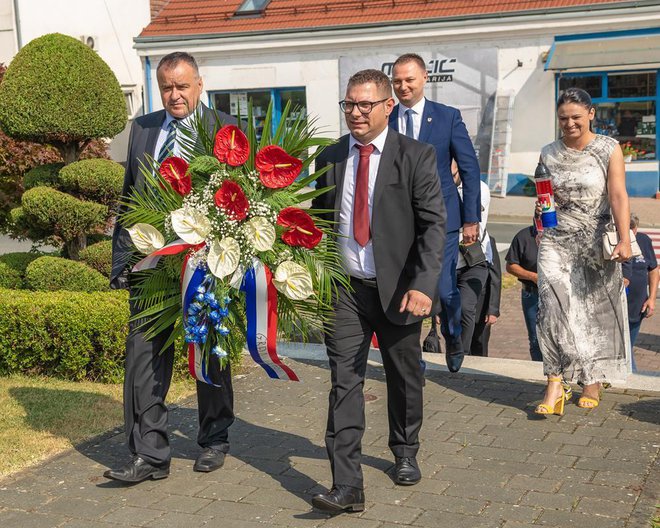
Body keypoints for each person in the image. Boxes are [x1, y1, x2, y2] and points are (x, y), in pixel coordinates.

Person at [310, 69, 445, 513]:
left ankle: (405, 449)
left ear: (389, 106)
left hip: (400, 291)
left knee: (404, 377)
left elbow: (432, 227)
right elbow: (319, 222)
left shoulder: (416, 155)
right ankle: (347, 485)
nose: (355, 113)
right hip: (345, 290)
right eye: (349, 104)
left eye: (365, 104)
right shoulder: (330, 157)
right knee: (344, 381)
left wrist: (424, 285)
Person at [106, 52, 238, 483]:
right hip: (150, 263)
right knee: (142, 357)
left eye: (182, 86)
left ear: (199, 84)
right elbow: (129, 197)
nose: (174, 95)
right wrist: (122, 259)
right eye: (166, 87)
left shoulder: (224, 129)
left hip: (205, 264)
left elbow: (240, 197)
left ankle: (214, 438)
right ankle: (150, 454)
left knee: (208, 353)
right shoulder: (143, 129)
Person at [535, 87, 632, 416]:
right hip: (555, 239)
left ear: (591, 114)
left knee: (593, 311)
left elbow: (618, 195)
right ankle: (554, 382)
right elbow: (544, 196)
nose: (569, 124)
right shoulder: (548, 152)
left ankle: (592, 379)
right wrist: (539, 223)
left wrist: (624, 238)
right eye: (563, 118)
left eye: (576, 117)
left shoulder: (608, 149)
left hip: (595, 239)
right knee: (551, 307)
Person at [390, 53, 481, 372]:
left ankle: (453, 335)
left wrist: (471, 218)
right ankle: (411, 354)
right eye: (397, 81)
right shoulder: (385, 119)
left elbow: (469, 167)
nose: (402, 86)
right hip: (398, 222)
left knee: (443, 287)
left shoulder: (447, 117)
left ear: (424, 78)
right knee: (404, 287)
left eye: (409, 80)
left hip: (443, 218)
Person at [455, 173, 491, 354]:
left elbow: (471, 219)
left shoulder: (478, 187)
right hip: (444, 261)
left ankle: (461, 354)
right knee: (445, 310)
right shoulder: (434, 181)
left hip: (472, 261)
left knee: (465, 308)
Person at [622, 212, 658, 370]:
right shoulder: (613, 240)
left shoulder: (643, 240)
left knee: (627, 346)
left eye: (633, 228)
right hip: (617, 306)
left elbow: (654, 270)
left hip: (637, 307)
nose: (631, 232)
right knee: (624, 347)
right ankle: (634, 377)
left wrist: (651, 298)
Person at [505, 222, 543, 362]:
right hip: (532, 294)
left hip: (557, 295)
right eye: (538, 215)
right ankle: (539, 373)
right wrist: (532, 277)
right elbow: (511, 266)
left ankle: (559, 377)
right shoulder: (524, 236)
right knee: (535, 339)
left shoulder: (560, 236)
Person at [470, 234, 501, 357]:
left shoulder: (488, 240)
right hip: (457, 305)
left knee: (479, 345)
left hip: (482, 306)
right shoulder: (451, 237)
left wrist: (493, 309)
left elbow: (495, 277)